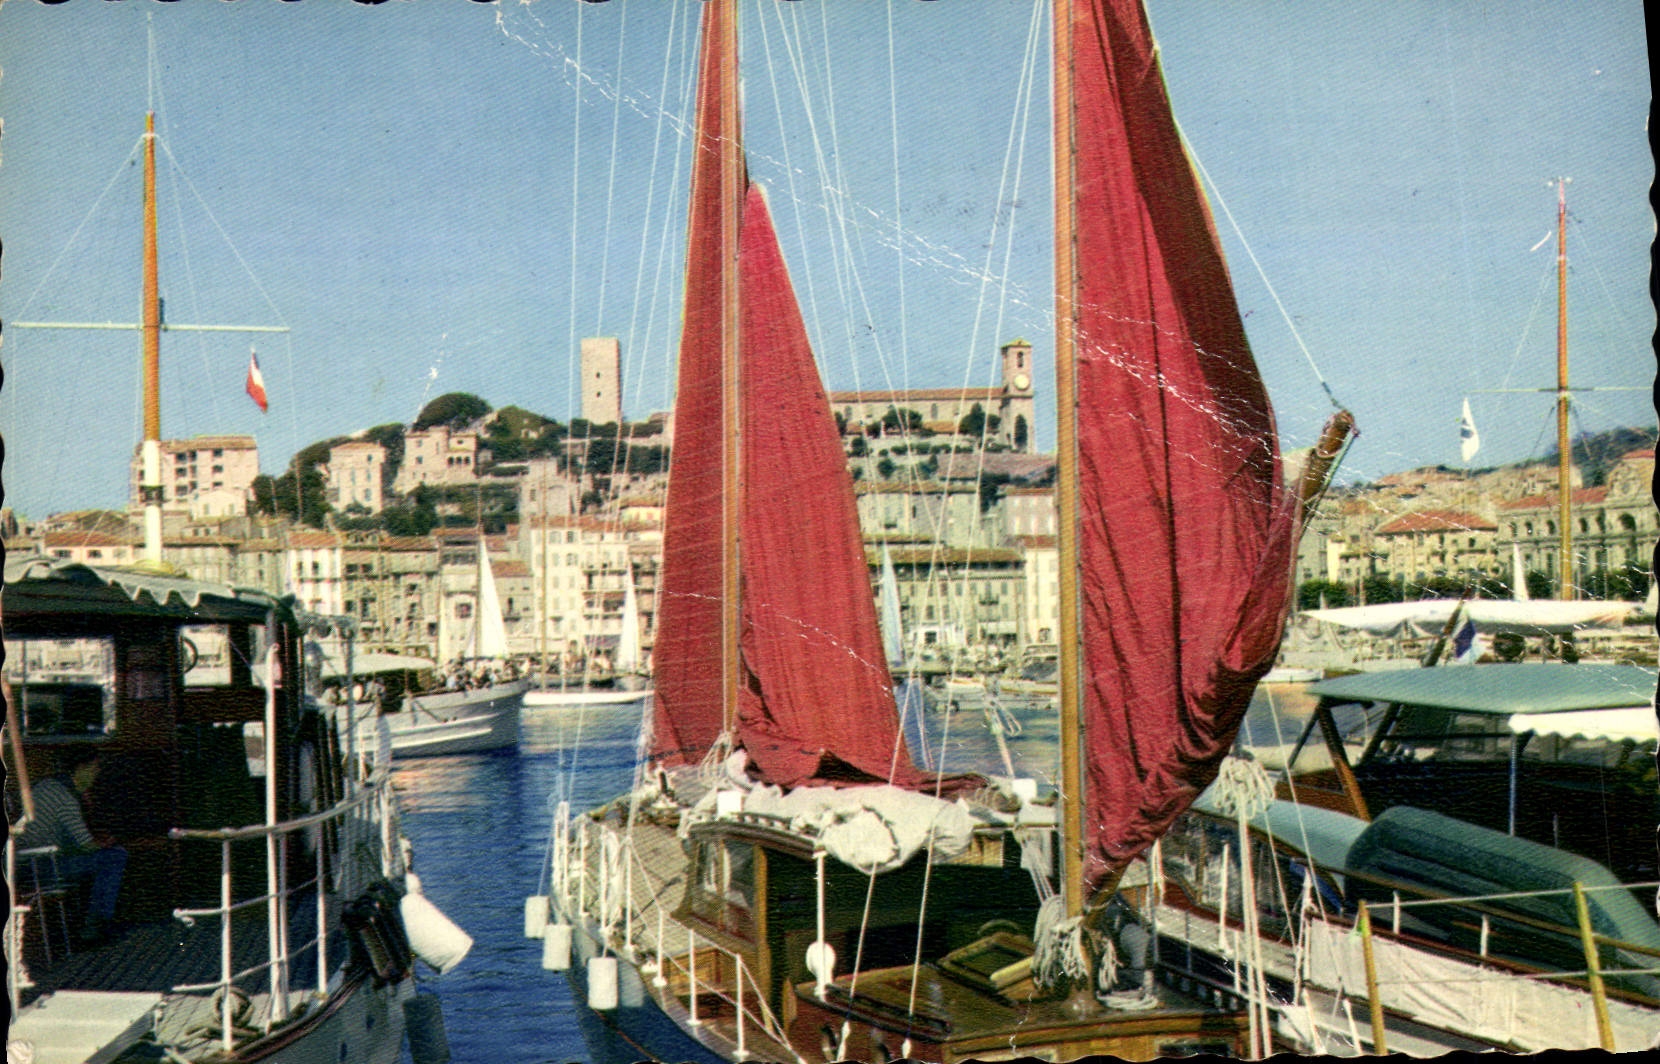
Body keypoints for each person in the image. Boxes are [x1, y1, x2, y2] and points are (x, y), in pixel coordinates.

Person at [15, 747, 127, 944]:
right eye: (94, 768)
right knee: (114, 856)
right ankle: (96, 925)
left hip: (28, 860)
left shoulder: (50, 785)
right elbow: (85, 845)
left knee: (104, 859)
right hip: (38, 865)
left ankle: (93, 921)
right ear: (81, 768)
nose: (97, 773)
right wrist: (106, 842)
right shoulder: (65, 798)